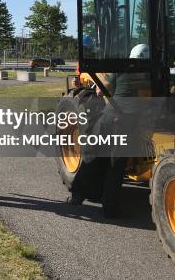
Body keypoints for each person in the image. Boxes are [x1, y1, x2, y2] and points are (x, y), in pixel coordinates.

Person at [67, 44, 151, 218]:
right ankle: (110, 206)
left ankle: (78, 194)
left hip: (110, 116)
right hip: (129, 122)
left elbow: (101, 88)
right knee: (116, 165)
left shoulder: (120, 69)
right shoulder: (152, 74)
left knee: (93, 156)